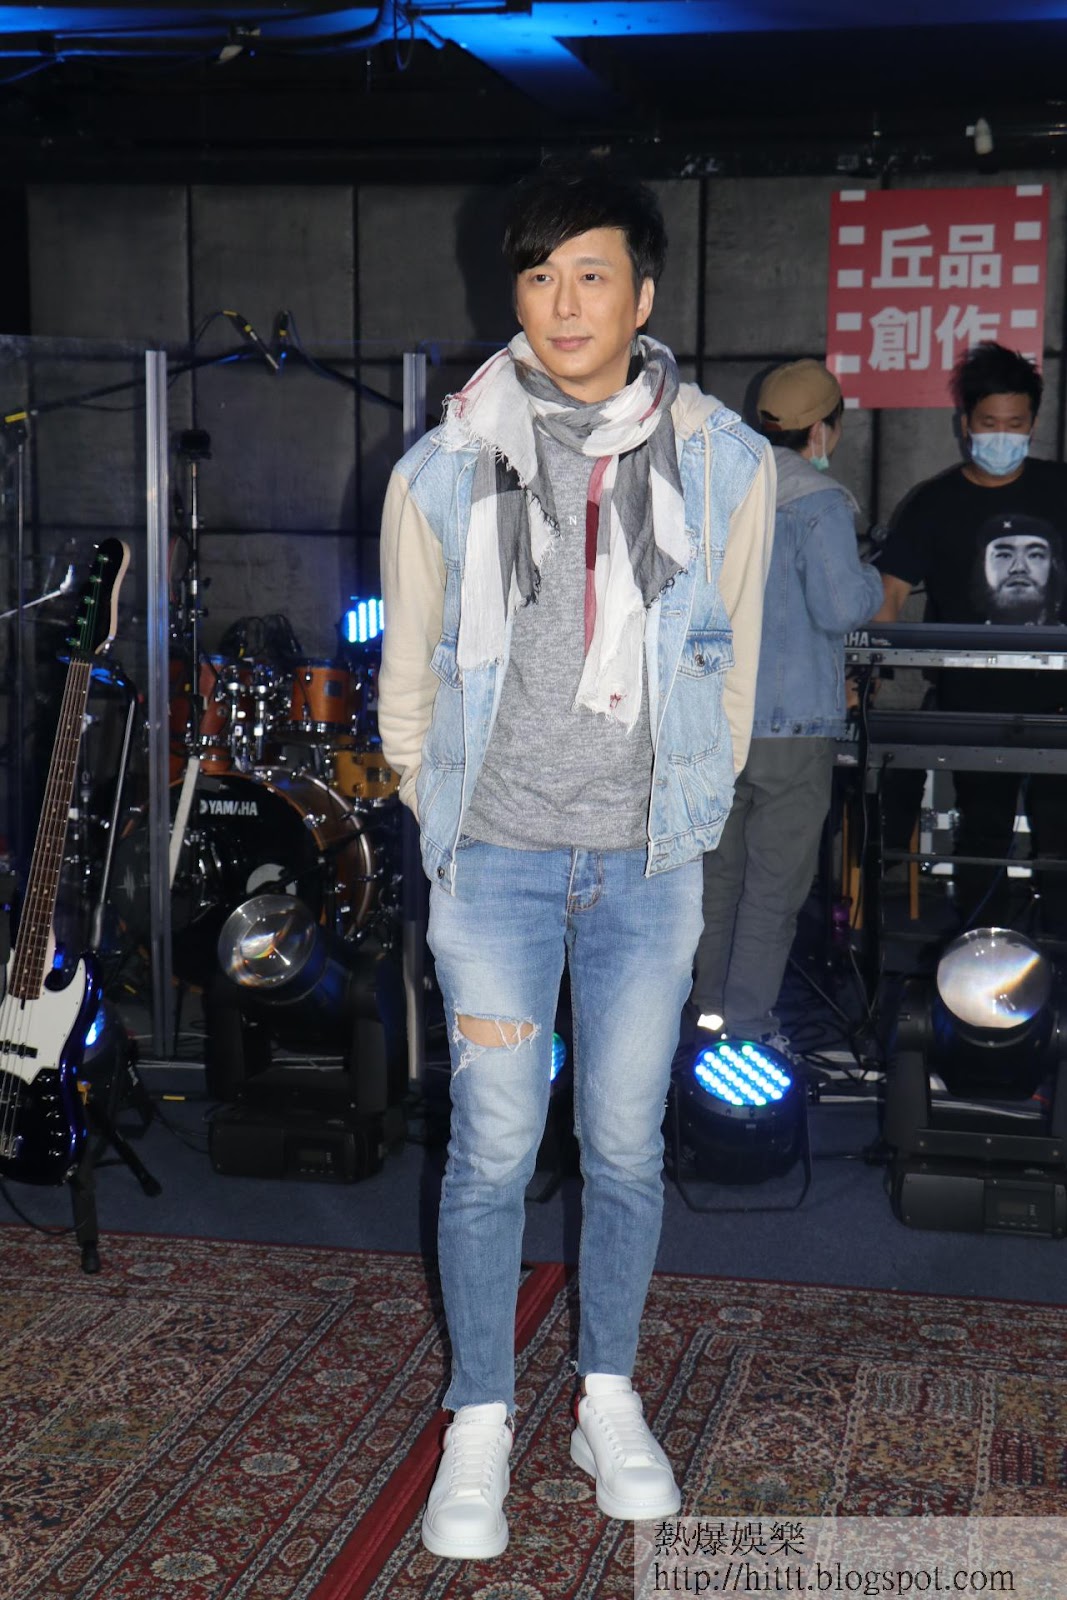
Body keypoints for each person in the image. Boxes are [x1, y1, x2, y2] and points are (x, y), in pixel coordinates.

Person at [377, 158, 774, 1561]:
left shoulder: (726, 462)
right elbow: (408, 676)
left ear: (641, 296)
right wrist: (436, 811)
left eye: (590, 274)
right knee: (490, 1150)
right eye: (538, 275)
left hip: (643, 864)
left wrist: (694, 810)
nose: (561, 301)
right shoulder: (442, 466)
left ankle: (605, 1396)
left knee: (621, 1145)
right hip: (492, 863)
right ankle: (479, 1416)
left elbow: (731, 661)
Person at [688, 360, 883, 1046]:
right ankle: (747, 1028)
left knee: (717, 881)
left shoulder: (720, 488)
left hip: (718, 721)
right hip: (793, 728)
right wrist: (872, 577)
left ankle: (706, 1015)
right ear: (823, 430)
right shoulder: (818, 501)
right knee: (773, 888)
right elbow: (840, 608)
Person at [875, 341, 1067, 931]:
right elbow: (888, 595)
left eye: (1015, 424)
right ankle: (980, 950)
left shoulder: (1060, 489)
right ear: (965, 425)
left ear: (1033, 424)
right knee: (982, 838)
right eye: (989, 423)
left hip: (1060, 707)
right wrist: (866, 667)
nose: (1002, 436)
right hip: (972, 709)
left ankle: (1058, 959)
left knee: (1060, 842)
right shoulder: (934, 504)